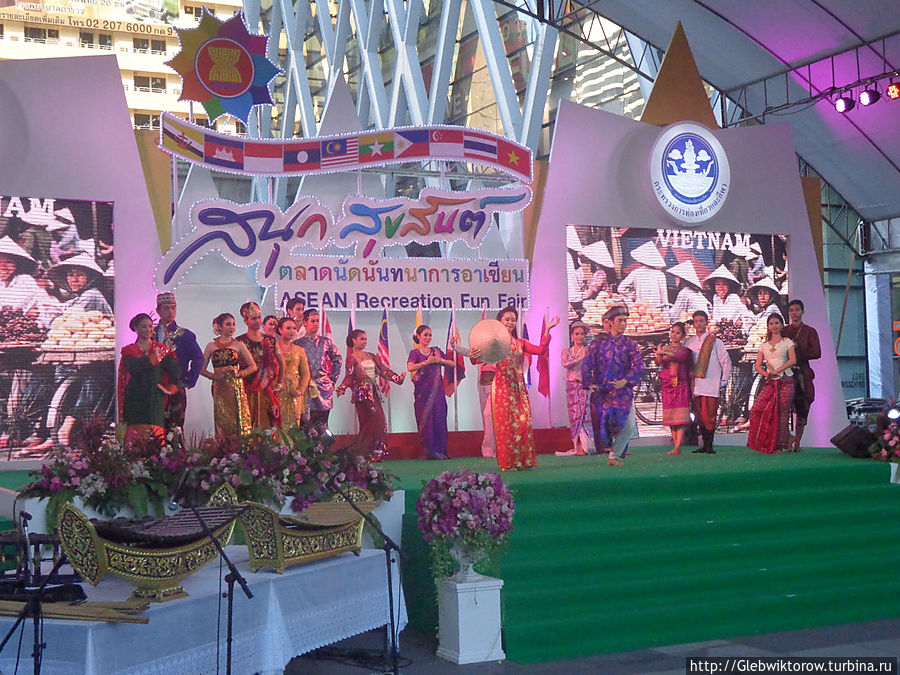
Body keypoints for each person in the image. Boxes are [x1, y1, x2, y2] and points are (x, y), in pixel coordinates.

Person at [490, 306, 557, 471]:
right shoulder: (494, 343)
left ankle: (523, 460)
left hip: (519, 388)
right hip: (502, 388)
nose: (510, 322)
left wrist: (547, 330)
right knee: (506, 425)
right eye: (507, 319)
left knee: (523, 424)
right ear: (499, 321)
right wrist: (458, 348)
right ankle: (507, 462)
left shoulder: (521, 343)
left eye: (513, 320)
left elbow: (540, 350)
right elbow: (476, 358)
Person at [581, 305, 643, 466]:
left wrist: (626, 381)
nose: (623, 324)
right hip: (603, 392)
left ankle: (614, 455)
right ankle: (611, 453)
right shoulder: (598, 343)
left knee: (629, 425)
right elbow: (587, 364)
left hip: (623, 392)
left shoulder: (630, 344)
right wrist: (589, 383)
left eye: (625, 321)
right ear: (610, 322)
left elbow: (638, 365)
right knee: (606, 421)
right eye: (620, 320)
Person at [337, 329, 405, 459]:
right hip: (361, 394)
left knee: (380, 421)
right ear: (354, 340)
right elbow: (349, 376)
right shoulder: (351, 358)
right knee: (369, 422)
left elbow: (383, 370)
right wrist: (342, 387)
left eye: (366, 339)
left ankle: (375, 451)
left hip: (373, 392)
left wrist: (397, 378)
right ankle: (366, 451)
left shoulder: (371, 356)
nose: (364, 341)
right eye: (362, 339)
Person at [117, 313, 181, 437]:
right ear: (136, 329)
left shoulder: (162, 350)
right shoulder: (129, 350)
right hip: (134, 399)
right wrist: (153, 357)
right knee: (135, 439)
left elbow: (176, 371)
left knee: (155, 437)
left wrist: (170, 388)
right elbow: (135, 368)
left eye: (150, 326)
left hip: (155, 399)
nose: (148, 329)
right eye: (144, 326)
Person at [199, 313, 255, 441]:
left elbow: (253, 366)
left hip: (235, 387)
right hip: (219, 389)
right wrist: (214, 376)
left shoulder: (239, 345)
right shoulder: (211, 346)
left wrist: (239, 374)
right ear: (220, 326)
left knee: (239, 419)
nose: (232, 327)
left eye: (233, 324)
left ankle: (241, 448)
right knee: (221, 418)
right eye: (228, 324)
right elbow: (201, 369)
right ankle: (224, 448)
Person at [748, 314, 797, 454]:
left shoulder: (787, 342)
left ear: (782, 325)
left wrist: (778, 370)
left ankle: (779, 445)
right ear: (768, 327)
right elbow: (758, 366)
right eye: (771, 323)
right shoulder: (764, 346)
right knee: (756, 409)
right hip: (770, 382)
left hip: (785, 380)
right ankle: (779, 439)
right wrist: (767, 374)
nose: (774, 326)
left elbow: (793, 360)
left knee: (782, 413)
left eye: (777, 323)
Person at [153, 293, 203, 431]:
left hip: (175, 386)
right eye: (166, 308)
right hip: (155, 387)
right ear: (158, 310)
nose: (171, 311)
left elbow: (198, 358)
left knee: (175, 427)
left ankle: (175, 445)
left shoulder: (185, 335)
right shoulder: (150, 334)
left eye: (173, 307)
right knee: (155, 426)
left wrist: (189, 379)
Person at [685, 310, 732, 454]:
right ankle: (704, 445)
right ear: (693, 324)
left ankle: (710, 445)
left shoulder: (715, 341)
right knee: (699, 416)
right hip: (696, 385)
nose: (699, 324)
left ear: (706, 322)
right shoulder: (689, 342)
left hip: (711, 384)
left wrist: (723, 380)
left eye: (701, 321)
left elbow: (726, 361)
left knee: (709, 416)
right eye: (696, 321)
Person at [407, 325, 456, 460]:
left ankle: (441, 450)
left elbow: (453, 364)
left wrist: (440, 361)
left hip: (438, 392)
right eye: (425, 335)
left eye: (430, 335)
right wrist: (426, 363)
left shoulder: (436, 352)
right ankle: (431, 451)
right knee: (427, 420)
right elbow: (410, 367)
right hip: (423, 393)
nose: (428, 338)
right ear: (418, 336)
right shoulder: (415, 353)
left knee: (440, 418)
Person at [236, 301, 284, 429]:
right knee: (248, 422)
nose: (257, 321)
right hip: (247, 388)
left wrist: (279, 383)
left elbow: (281, 362)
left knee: (268, 424)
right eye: (253, 318)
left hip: (267, 388)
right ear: (245, 320)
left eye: (259, 317)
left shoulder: (270, 340)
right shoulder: (239, 341)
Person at [782, 299, 820, 451]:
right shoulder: (784, 330)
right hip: (786, 372)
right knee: (782, 407)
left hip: (802, 372)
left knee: (803, 406)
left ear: (802, 312)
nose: (794, 313)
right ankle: (787, 438)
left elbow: (817, 353)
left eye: (797, 310)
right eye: (791, 310)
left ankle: (797, 442)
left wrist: (797, 352)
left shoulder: (810, 331)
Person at [297, 308, 342, 429]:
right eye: (313, 321)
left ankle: (322, 441)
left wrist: (332, 380)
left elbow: (337, 359)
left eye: (317, 321)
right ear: (305, 323)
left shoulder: (326, 342)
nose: (316, 324)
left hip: (323, 387)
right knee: (305, 423)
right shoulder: (297, 344)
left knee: (322, 423)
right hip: (305, 387)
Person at [448, 336, 491, 456]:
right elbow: (469, 353)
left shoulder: (502, 351)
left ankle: (493, 450)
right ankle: (490, 450)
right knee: (486, 418)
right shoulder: (482, 351)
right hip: (483, 386)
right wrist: (455, 347)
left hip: (497, 388)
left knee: (489, 415)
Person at [557, 322, 595, 456]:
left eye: (582, 334)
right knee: (574, 416)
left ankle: (585, 447)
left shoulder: (588, 350)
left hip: (584, 386)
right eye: (577, 334)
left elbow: (592, 368)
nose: (580, 337)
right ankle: (577, 445)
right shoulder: (566, 351)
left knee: (584, 415)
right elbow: (566, 364)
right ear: (572, 335)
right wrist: (581, 358)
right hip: (571, 387)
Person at [656, 322, 693, 455]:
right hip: (667, 384)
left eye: (677, 333)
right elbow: (658, 362)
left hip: (680, 384)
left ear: (682, 336)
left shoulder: (685, 350)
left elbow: (679, 357)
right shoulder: (665, 347)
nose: (674, 335)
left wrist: (664, 352)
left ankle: (678, 446)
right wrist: (659, 354)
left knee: (680, 417)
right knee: (671, 416)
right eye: (672, 332)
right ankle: (676, 445)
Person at [275, 317, 311, 429]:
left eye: (294, 328)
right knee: (277, 424)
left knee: (293, 425)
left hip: (294, 392)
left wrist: (300, 390)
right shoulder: (273, 348)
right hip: (277, 391)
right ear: (280, 330)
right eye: (288, 328)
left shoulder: (299, 350)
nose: (292, 331)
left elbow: (306, 373)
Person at [616, 241, 668, 310]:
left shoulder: (636, 273)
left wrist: (631, 301)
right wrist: (666, 313)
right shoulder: (660, 275)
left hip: (640, 309)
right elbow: (664, 298)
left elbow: (621, 288)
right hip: (655, 311)